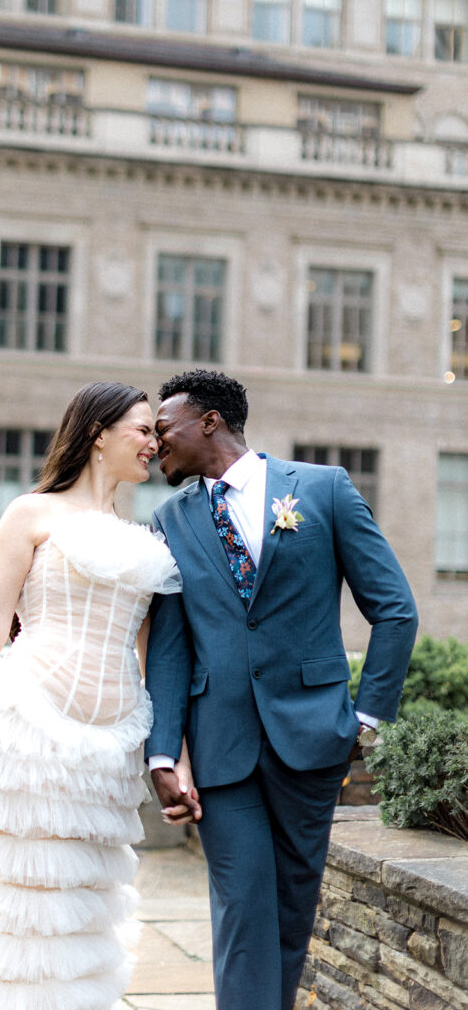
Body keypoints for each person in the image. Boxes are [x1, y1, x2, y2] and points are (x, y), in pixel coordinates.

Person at [144, 369, 418, 1010]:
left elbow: (395, 610)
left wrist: (367, 718)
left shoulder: (323, 490)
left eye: (163, 429)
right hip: (222, 748)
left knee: (292, 910)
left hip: (315, 738)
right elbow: (169, 649)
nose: (155, 445)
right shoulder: (170, 519)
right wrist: (162, 753)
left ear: (208, 420)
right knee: (243, 908)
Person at [0, 381, 184, 1010]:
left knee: (80, 908)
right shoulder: (30, 514)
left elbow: (154, 659)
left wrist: (173, 757)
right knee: (21, 901)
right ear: (98, 433)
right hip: (31, 725)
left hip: (112, 744)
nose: (154, 442)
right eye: (143, 429)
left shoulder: (147, 535)